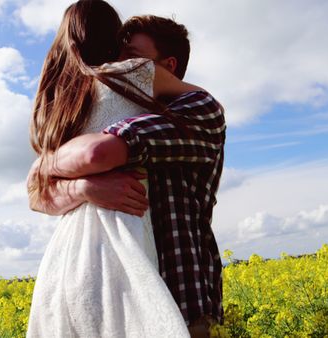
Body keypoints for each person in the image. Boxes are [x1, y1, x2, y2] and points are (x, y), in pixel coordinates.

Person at [26, 2, 225, 338]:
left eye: (130, 55)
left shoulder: (195, 113)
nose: (115, 64)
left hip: (178, 290)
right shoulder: (118, 98)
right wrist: (81, 189)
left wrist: (47, 162)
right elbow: (37, 193)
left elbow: (95, 152)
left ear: (166, 66)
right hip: (103, 278)